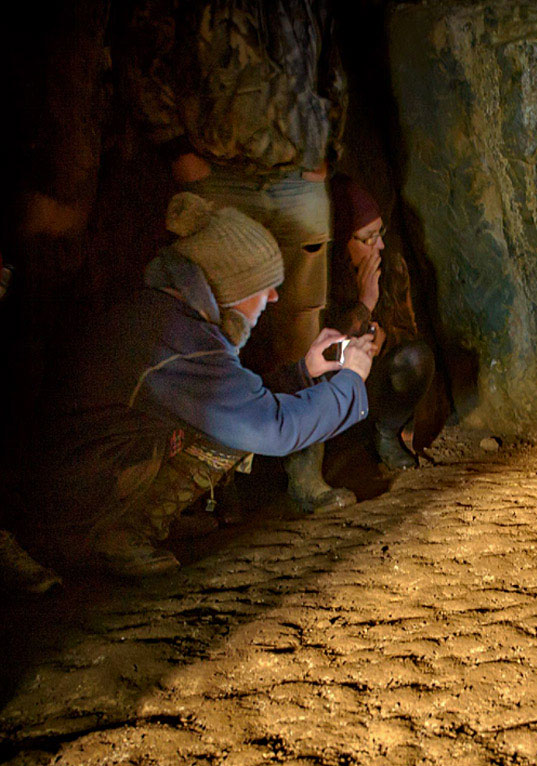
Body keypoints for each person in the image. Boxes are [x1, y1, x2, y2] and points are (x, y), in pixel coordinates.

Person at [21, 192, 375, 578]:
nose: (273, 298)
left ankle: (136, 518)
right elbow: (272, 428)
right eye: (264, 285)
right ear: (232, 288)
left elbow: (240, 398)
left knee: (226, 424)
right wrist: (351, 380)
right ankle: (113, 534)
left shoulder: (162, 316)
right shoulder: (177, 343)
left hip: (70, 488)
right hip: (66, 516)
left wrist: (304, 371)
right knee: (233, 432)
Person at [123, 1, 350, 513]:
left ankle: (305, 477)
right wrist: (175, 146)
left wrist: (327, 146)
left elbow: (332, 59)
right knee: (212, 333)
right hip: (217, 167)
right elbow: (145, 42)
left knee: (305, 325)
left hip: (298, 172)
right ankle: (204, 495)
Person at [326, 174, 435, 469]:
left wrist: (386, 340)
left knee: (417, 358)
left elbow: (408, 331)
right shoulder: (321, 277)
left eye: (380, 233)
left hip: (376, 385)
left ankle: (386, 433)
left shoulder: (391, 266)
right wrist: (365, 303)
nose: (380, 246)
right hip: (331, 391)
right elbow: (318, 353)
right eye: (368, 238)